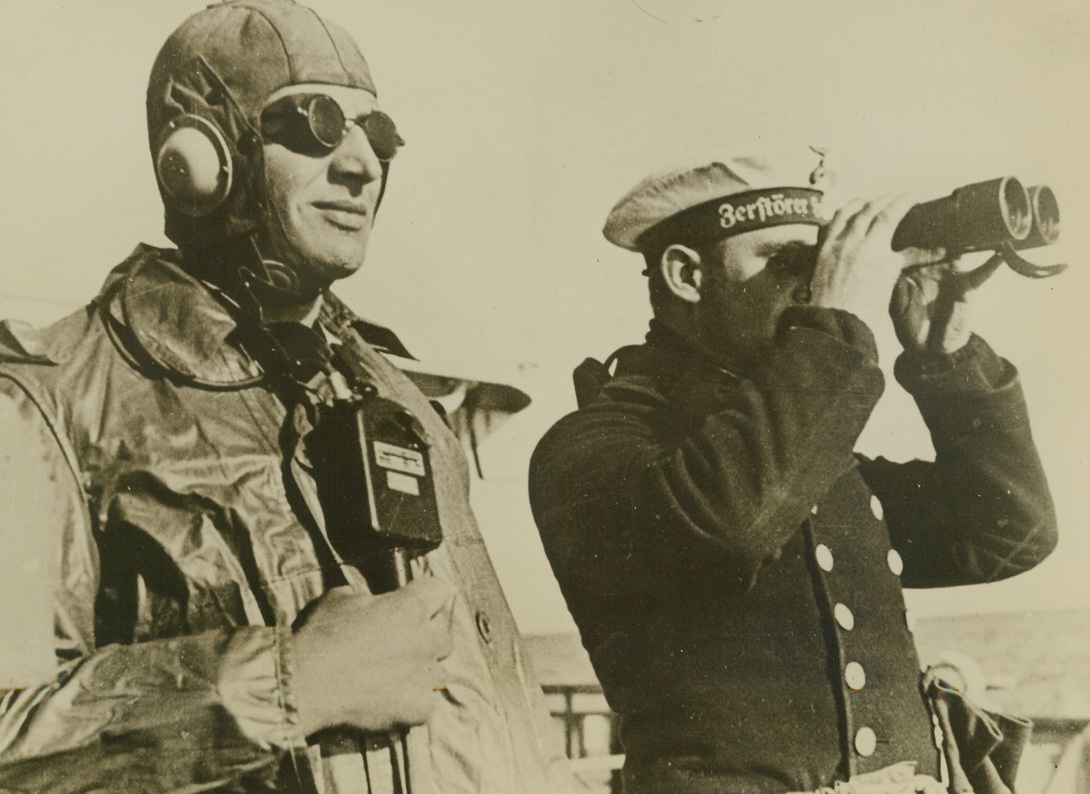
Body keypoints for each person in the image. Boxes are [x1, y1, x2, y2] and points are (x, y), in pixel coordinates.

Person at [0, 2, 572, 792]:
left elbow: (500, 701)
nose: (361, 165)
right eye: (316, 124)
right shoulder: (50, 400)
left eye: (380, 137)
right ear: (200, 156)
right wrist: (286, 684)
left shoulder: (395, 394)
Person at [527, 147, 1058, 793]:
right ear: (687, 274)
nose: (814, 284)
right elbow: (730, 524)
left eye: (823, 262)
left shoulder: (799, 457)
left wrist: (946, 355)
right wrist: (836, 331)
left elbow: (1008, 530)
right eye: (789, 263)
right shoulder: (597, 446)